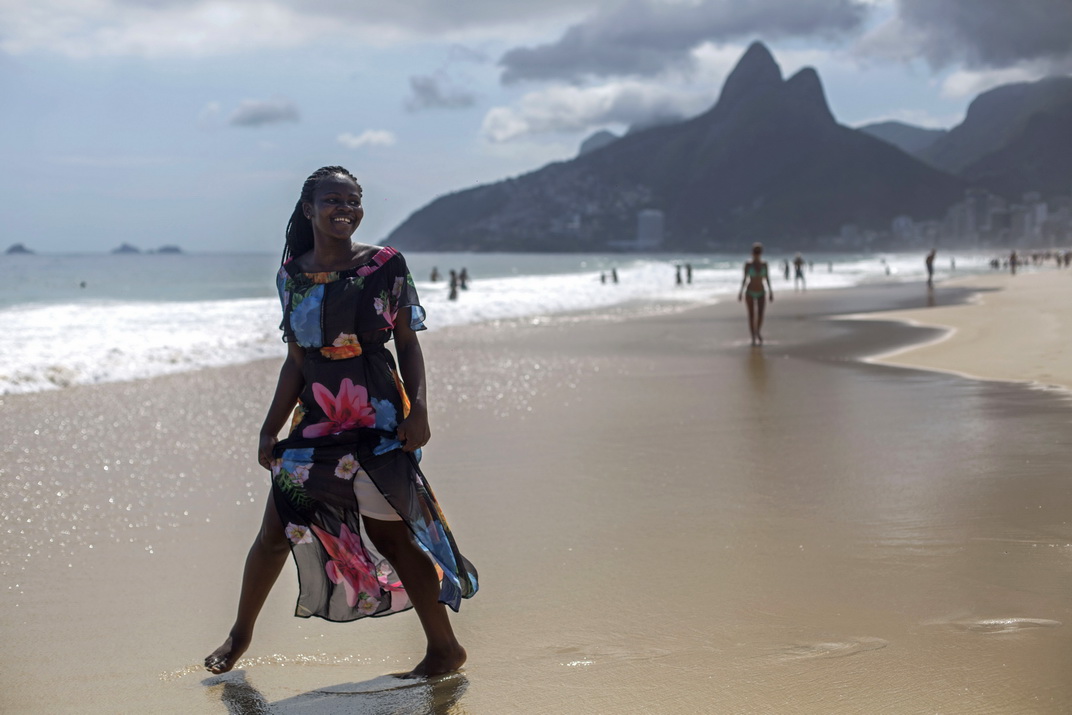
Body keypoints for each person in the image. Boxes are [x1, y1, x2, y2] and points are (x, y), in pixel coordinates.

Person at [205, 166, 478, 679]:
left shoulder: (384, 264)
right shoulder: (291, 276)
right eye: (334, 200)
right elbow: (297, 361)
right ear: (308, 208)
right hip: (316, 422)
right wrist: (270, 427)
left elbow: (407, 342)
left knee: (393, 538)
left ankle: (444, 649)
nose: (346, 210)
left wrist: (419, 409)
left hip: (378, 419)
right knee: (275, 531)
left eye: (354, 201)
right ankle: (239, 636)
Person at [738, 242, 774, 346]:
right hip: (749, 292)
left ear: (761, 253)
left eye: (758, 252)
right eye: (755, 251)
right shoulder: (748, 265)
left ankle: (757, 331)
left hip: (761, 292)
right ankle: (753, 336)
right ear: (752, 253)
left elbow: (767, 278)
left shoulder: (764, 264)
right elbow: (744, 279)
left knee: (761, 314)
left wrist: (771, 291)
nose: (757, 254)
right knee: (751, 315)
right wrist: (740, 292)